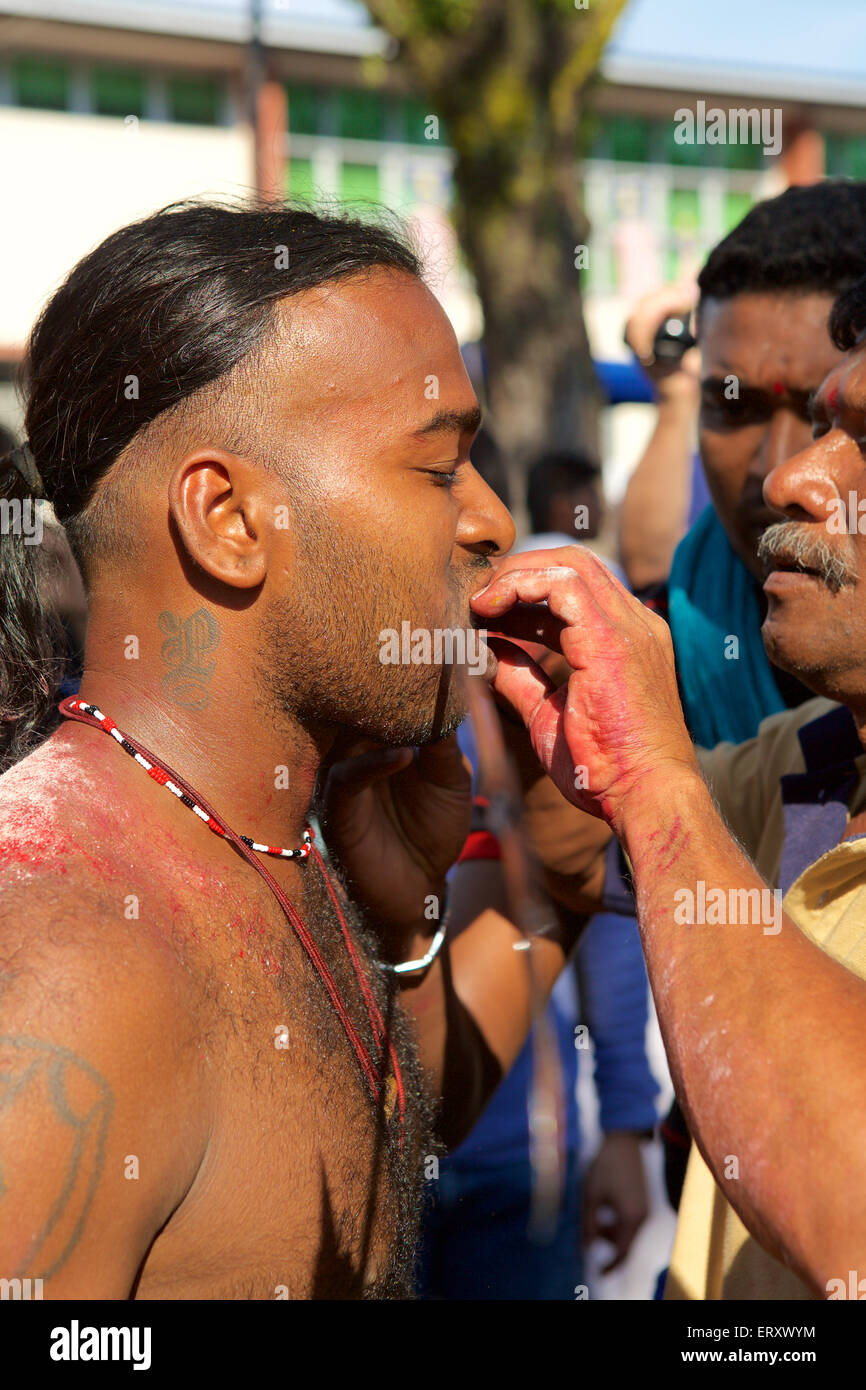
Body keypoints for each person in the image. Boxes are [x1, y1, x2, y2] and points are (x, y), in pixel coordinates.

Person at [0, 200, 588, 1300]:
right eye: (434, 469)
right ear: (225, 518)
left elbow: (379, 1133)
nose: (493, 521)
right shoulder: (63, 963)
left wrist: (430, 917)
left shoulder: (273, 832)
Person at [469, 265, 866, 1298]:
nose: (792, 477)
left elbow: (849, 1224)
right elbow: (581, 851)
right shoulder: (812, 761)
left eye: (865, 442)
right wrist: (540, 708)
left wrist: (648, 773)